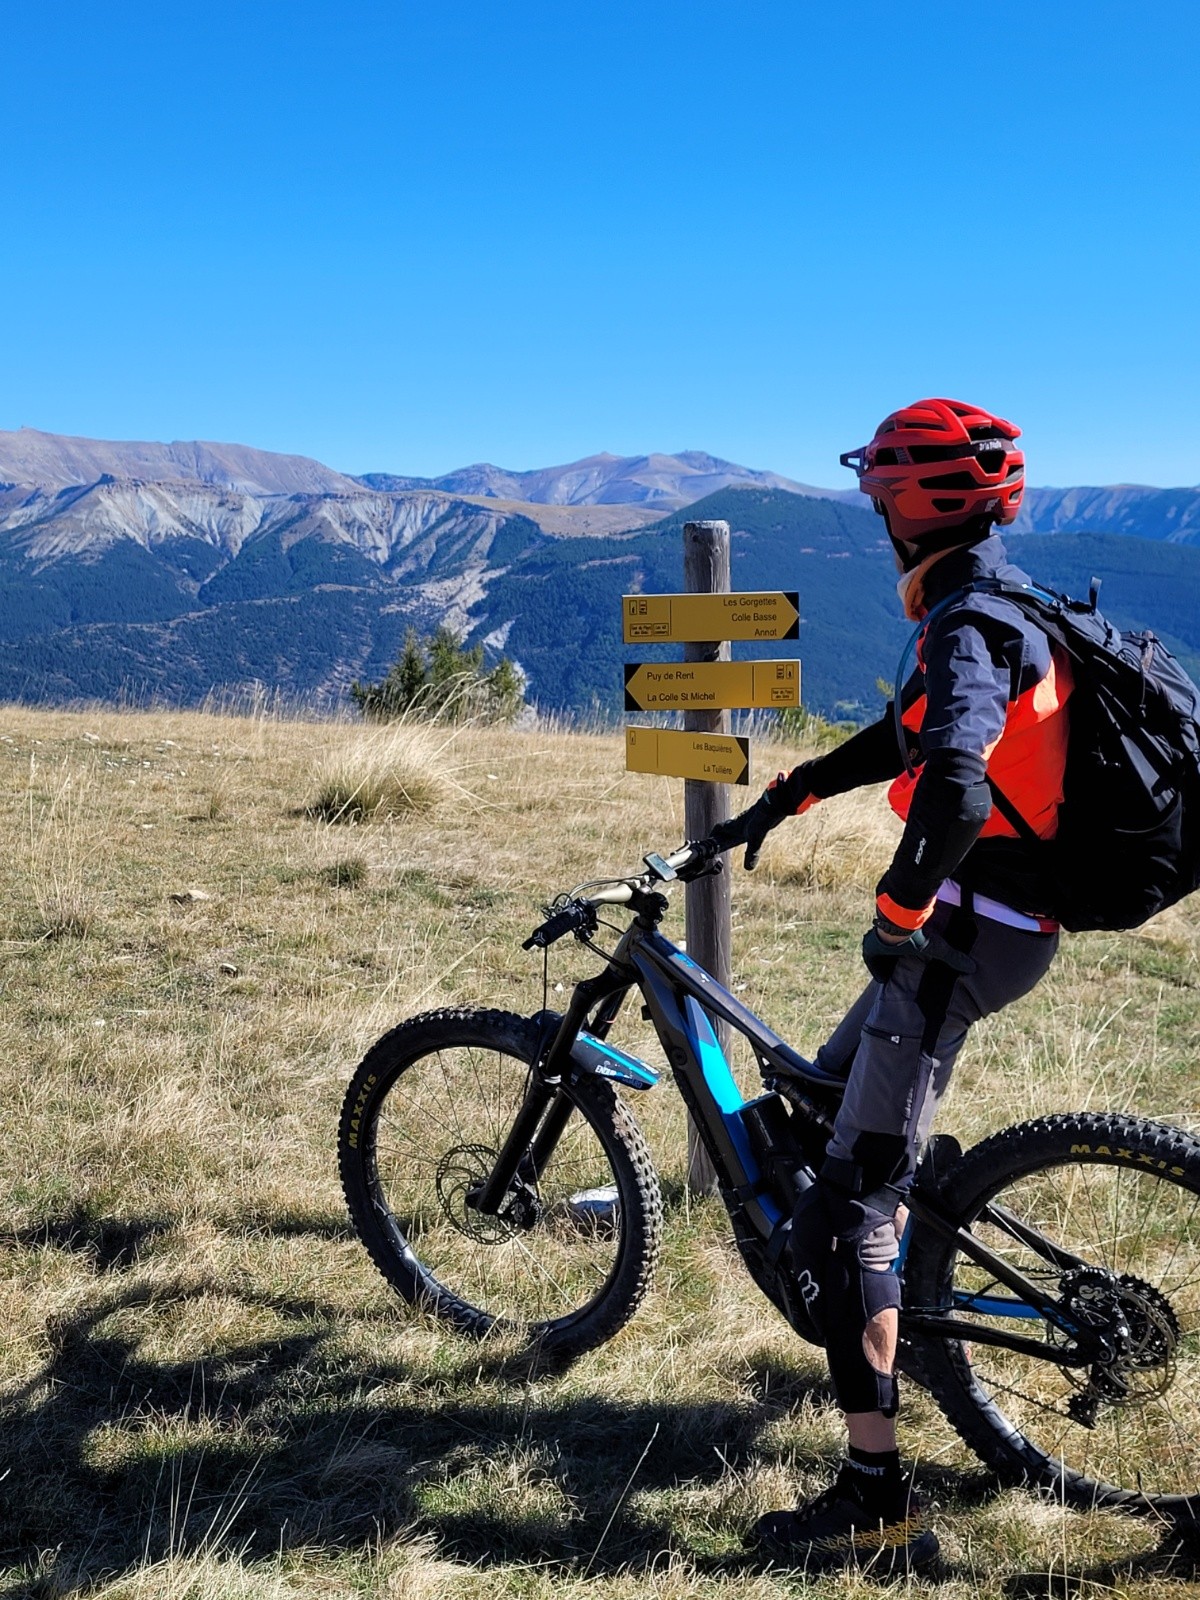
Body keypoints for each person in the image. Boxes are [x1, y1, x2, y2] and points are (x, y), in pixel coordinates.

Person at [708, 398, 1070, 1569]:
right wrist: (797, 788)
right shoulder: (997, 598)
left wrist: (894, 916)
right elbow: (913, 736)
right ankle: (904, 1228)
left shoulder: (968, 624)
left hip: (965, 932)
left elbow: (959, 787)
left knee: (850, 1201)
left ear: (910, 504)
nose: (871, 512)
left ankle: (877, 1500)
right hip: (996, 920)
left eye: (879, 495)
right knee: (820, 1097)